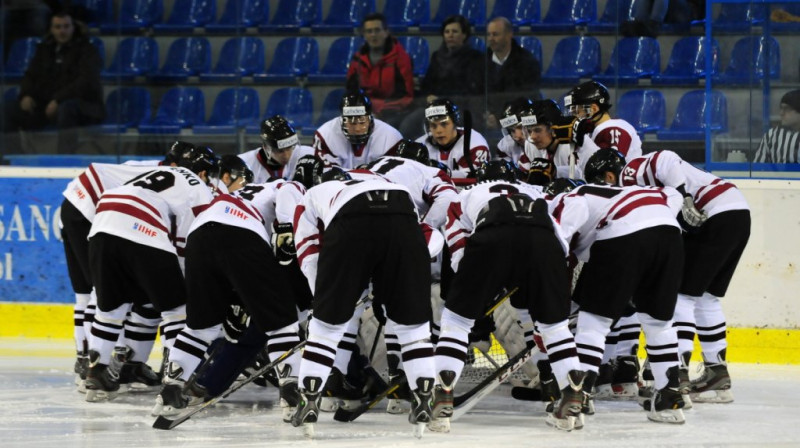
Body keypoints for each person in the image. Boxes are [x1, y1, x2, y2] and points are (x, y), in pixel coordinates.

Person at [432, 160, 585, 432]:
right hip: (544, 243)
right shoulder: (536, 191)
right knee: (555, 327)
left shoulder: (464, 195)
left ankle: (443, 392)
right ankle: (572, 390)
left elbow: (458, 249)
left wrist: (481, 286)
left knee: (456, 320)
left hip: (493, 235)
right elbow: (561, 231)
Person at [291, 170, 437, 434]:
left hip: (351, 218)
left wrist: (328, 299)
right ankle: (424, 398)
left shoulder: (312, 194)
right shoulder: (386, 182)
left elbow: (308, 250)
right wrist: (393, 277)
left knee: (326, 328)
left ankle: (309, 400)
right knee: (412, 328)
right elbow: (430, 237)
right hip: (403, 215)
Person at [551, 149, 688, 424]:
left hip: (621, 232)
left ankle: (579, 399)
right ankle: (669, 400)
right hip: (670, 234)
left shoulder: (566, 197)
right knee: (658, 322)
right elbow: (673, 197)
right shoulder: (636, 190)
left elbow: (558, 246)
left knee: (594, 321)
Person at [60, 142, 201, 392]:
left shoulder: (147, 170)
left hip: (99, 217)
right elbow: (183, 246)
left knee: (107, 298)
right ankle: (176, 373)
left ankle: (95, 367)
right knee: (174, 307)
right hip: (116, 219)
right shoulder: (195, 183)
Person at [613, 148, 751, 404]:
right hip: (739, 213)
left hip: (715, 212)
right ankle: (716, 371)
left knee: (682, 296)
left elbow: (665, 157)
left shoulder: (629, 173)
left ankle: (679, 375)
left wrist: (686, 197)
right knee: (707, 297)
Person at [3, 9, 104, 154]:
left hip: (82, 107)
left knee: (67, 108)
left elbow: (86, 82)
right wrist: (26, 95)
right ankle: (13, 158)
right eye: (58, 27)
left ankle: (64, 159)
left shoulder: (88, 50)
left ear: (73, 27)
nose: (62, 31)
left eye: (66, 26)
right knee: (7, 109)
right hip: (47, 106)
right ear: (51, 29)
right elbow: (30, 75)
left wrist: (58, 99)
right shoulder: (44, 49)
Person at [399, 14, 485, 138]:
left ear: (464, 35)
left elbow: (471, 91)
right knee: (408, 125)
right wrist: (428, 97)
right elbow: (427, 85)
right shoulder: (437, 57)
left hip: (459, 107)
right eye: (447, 32)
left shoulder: (475, 58)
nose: (450, 35)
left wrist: (443, 99)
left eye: (454, 31)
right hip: (434, 107)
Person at [346, 12, 414, 130]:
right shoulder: (357, 60)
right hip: (365, 111)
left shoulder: (401, 58)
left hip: (393, 112)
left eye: (377, 30)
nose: (373, 35)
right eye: (369, 31)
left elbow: (406, 95)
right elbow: (351, 90)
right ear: (364, 34)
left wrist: (380, 110)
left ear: (386, 32)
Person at [313, 90, 403, 169]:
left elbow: (393, 176)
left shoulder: (391, 138)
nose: (357, 129)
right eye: (352, 123)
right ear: (342, 119)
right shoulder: (325, 135)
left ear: (370, 118)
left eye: (362, 122)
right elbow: (325, 176)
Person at [484, 17, 542, 132]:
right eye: (489, 34)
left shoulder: (527, 61)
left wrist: (498, 118)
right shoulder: (481, 61)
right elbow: (477, 95)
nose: (491, 39)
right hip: (486, 120)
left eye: (495, 34)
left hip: (517, 122)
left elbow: (524, 97)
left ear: (509, 34)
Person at [415, 98, 490, 179]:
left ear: (455, 123)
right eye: (433, 126)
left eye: (444, 124)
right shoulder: (419, 146)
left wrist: (441, 172)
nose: (439, 131)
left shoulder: (475, 144)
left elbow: (475, 178)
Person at [238, 115, 315, 183]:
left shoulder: (307, 154)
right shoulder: (244, 163)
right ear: (266, 147)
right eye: (280, 151)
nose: (286, 155)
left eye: (289, 148)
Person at [753, 89, 800, 163]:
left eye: (787, 109)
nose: (781, 113)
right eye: (781, 108)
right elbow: (760, 169)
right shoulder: (772, 136)